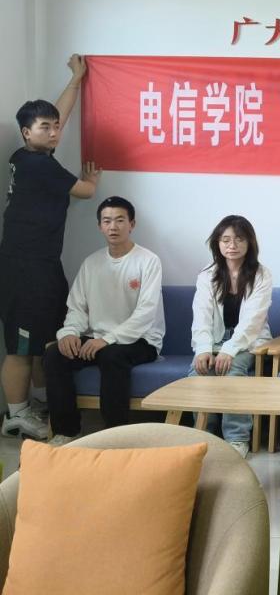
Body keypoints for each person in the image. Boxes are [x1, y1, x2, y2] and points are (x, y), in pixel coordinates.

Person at [1, 54, 100, 440]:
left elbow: (60, 114)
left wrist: (75, 79)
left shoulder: (28, 155)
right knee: (21, 347)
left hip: (41, 264)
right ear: (27, 132)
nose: (55, 132)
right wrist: (92, 179)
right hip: (24, 267)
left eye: (56, 127)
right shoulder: (38, 165)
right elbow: (85, 191)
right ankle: (16, 414)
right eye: (46, 127)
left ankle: (37, 403)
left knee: (47, 339)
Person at [43, 197, 163, 443]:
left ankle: (114, 436)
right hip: (97, 340)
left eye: (120, 220)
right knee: (55, 354)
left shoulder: (148, 261)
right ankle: (66, 432)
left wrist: (108, 339)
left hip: (142, 341)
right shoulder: (91, 263)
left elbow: (145, 313)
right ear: (99, 226)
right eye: (107, 221)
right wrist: (69, 333)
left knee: (112, 355)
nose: (113, 226)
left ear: (132, 224)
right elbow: (77, 307)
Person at [189, 215, 272, 459]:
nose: (232, 245)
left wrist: (229, 350)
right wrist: (203, 349)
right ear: (217, 243)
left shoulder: (261, 274)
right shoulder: (207, 275)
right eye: (225, 240)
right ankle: (204, 435)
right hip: (213, 339)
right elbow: (201, 315)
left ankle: (237, 438)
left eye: (239, 239)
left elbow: (253, 321)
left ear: (249, 242)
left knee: (232, 370)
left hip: (248, 341)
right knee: (198, 372)